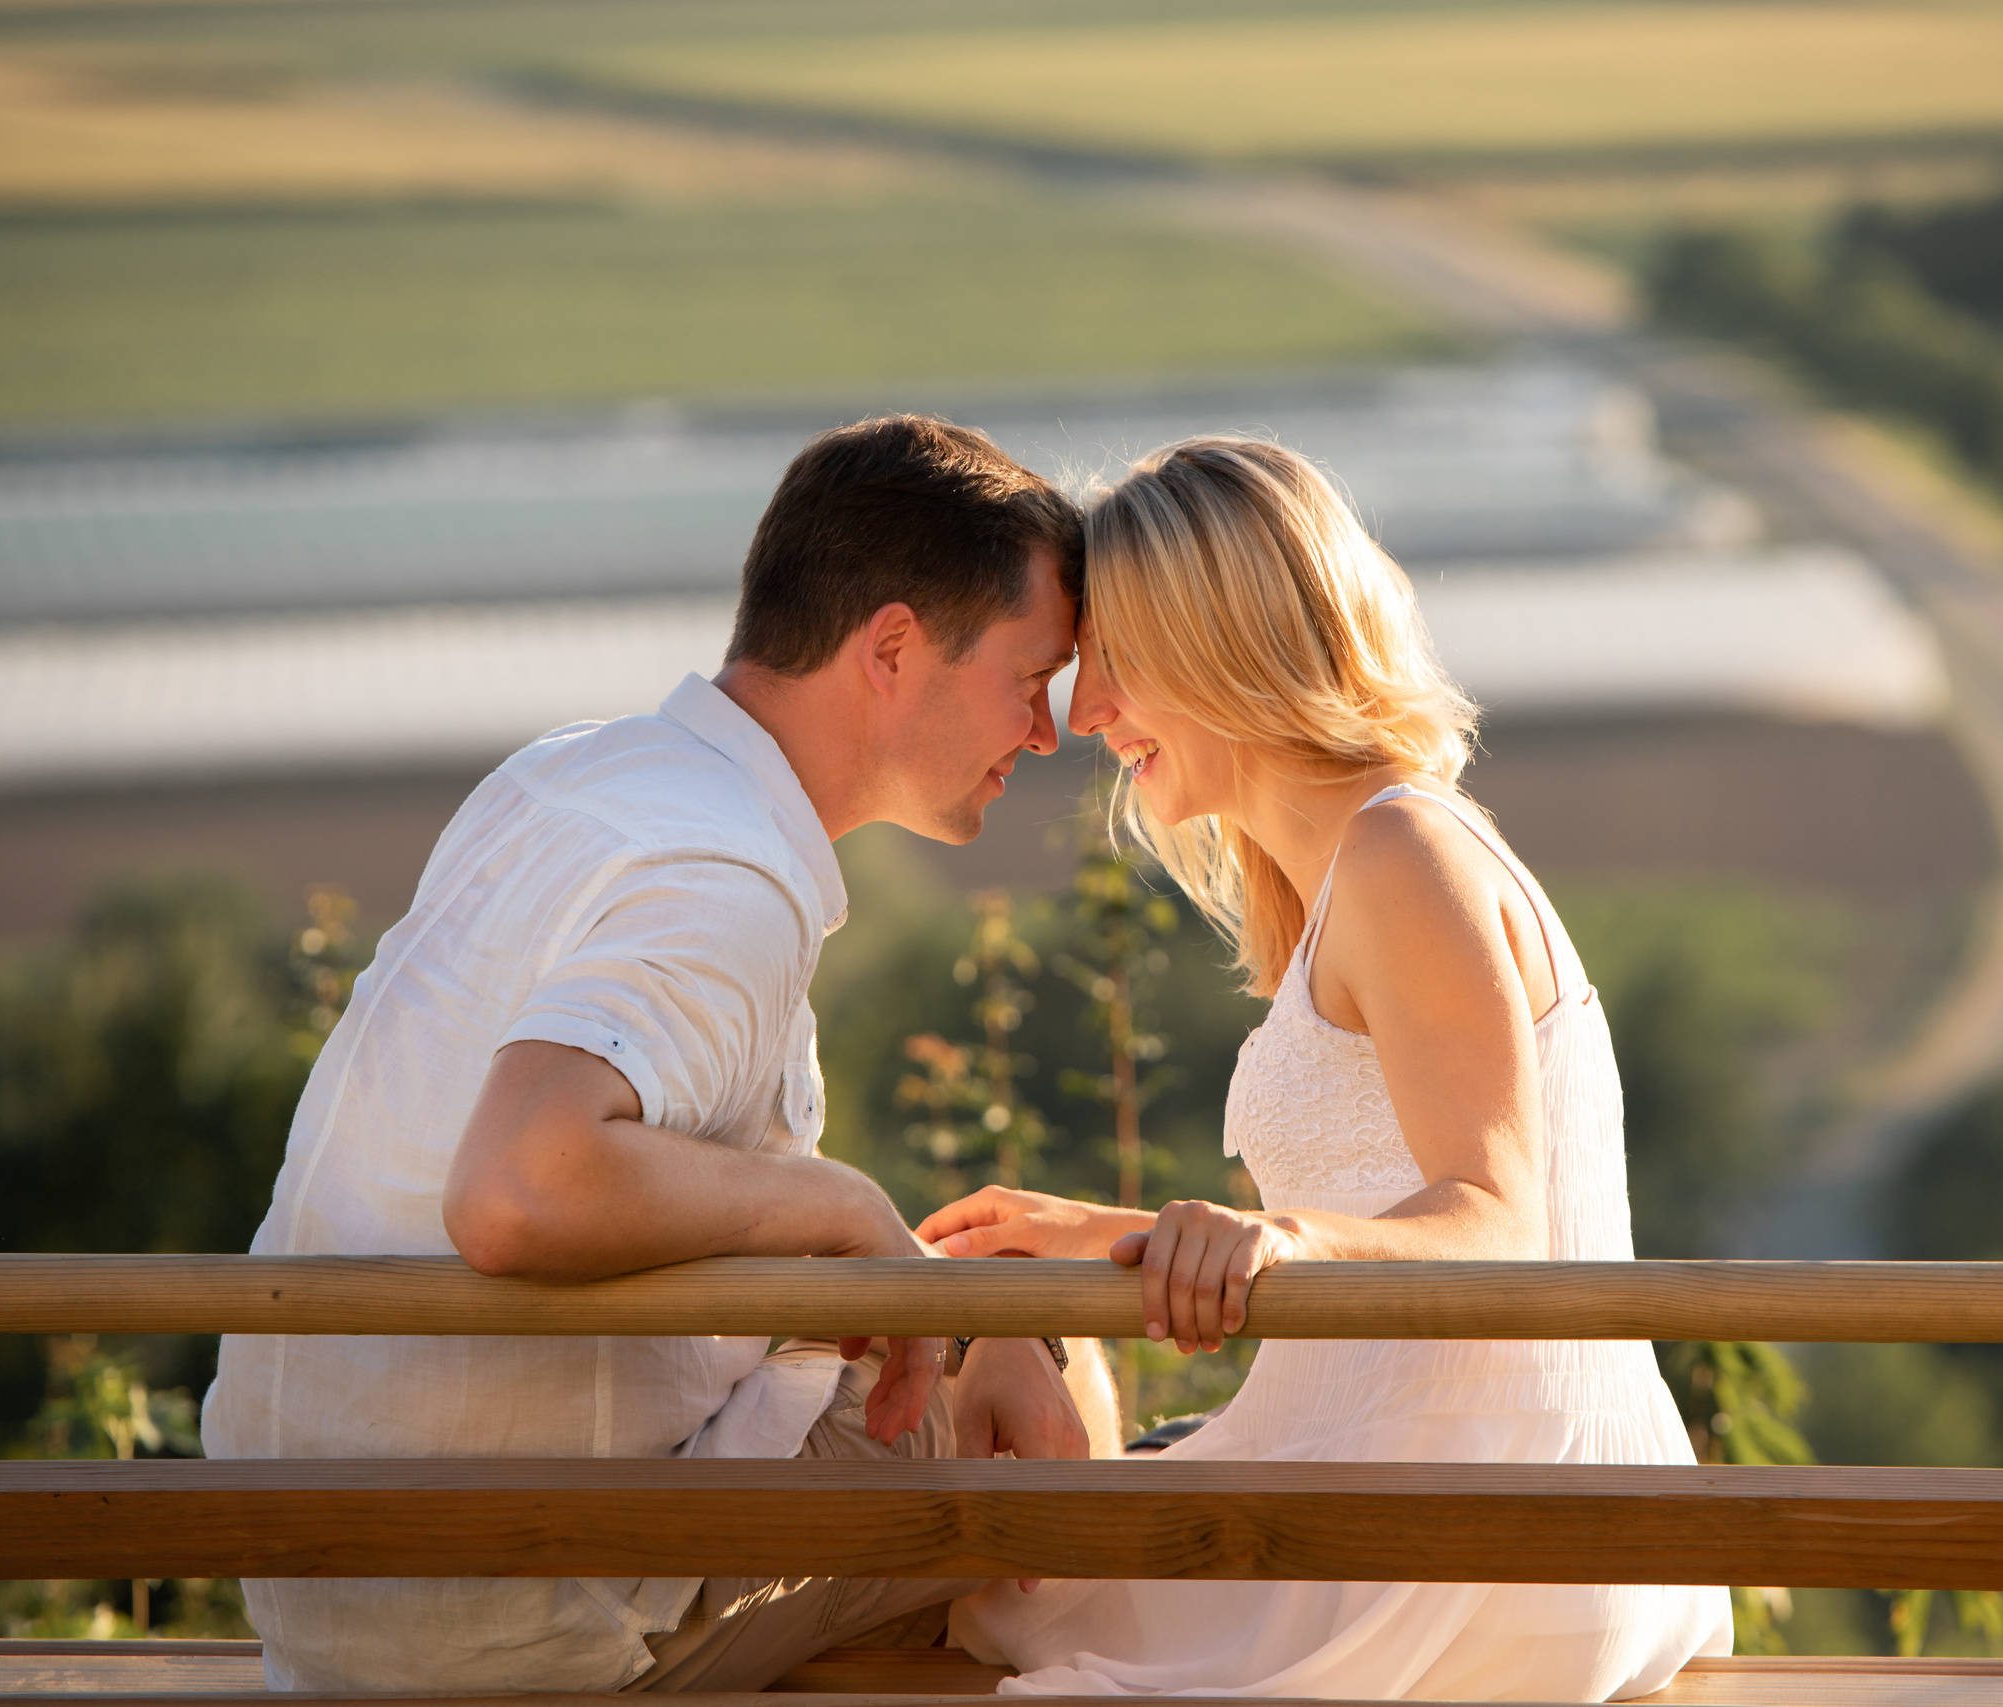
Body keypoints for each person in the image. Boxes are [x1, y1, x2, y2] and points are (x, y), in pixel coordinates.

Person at [203, 415, 1122, 1696]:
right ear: (895, 649)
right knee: (1065, 1386)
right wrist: (851, 1213)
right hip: (502, 1618)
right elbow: (519, 1187)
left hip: (318, 1579)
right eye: (1033, 678)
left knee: (992, 1332)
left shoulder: (570, 779)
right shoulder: (722, 876)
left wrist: (923, 1297)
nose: (1048, 733)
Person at [919, 437, 1733, 1701]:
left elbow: (1503, 1220)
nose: (1086, 715)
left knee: (948, 1575)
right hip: (1438, 1487)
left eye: (1119, 663)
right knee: (988, 1539)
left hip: (1478, 1534)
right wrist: (1110, 1237)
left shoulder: (1406, 853)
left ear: (1220, 638)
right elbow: (1398, 1205)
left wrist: (1276, 1237)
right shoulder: (1342, 871)